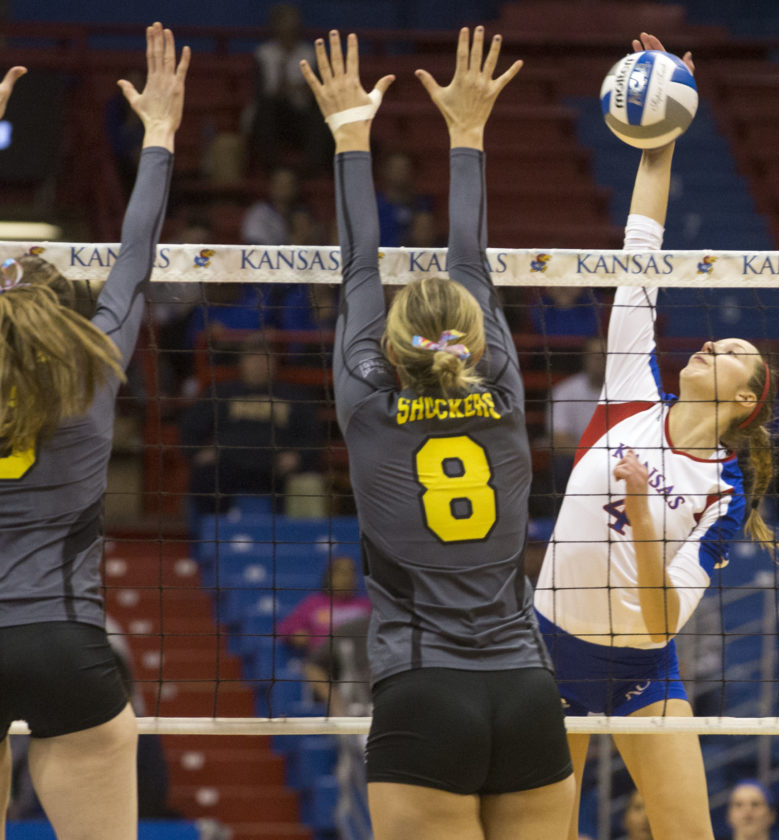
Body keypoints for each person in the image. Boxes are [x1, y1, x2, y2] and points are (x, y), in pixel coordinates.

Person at [0, 23, 187, 840]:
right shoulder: (92, 368)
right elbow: (136, 254)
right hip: (63, 645)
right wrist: (161, 133)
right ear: (65, 315)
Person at [301, 25, 574, 839]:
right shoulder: (499, 384)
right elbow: (471, 258)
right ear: (478, 337)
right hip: (527, 690)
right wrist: (467, 129)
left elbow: (358, 268)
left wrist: (350, 135)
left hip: (423, 693)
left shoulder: (364, 399)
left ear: (386, 345)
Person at [533, 34, 778, 840]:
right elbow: (641, 254)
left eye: (733, 352)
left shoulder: (722, 490)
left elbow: (659, 620)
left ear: (744, 401)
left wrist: (644, 523)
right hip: (550, 654)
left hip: (643, 672)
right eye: (716, 341)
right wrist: (658, 136)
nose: (712, 344)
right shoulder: (627, 391)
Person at [180, 332, 320, 516]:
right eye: (253, 358)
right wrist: (198, 451)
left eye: (265, 358)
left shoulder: (293, 395)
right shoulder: (222, 393)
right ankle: (214, 538)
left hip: (274, 468)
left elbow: (313, 435)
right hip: (228, 465)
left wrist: (299, 457)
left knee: (306, 485)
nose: (259, 364)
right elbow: (191, 427)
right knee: (204, 477)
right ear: (242, 362)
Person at [247, 2, 332, 174]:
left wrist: (297, 89)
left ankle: (311, 172)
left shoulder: (309, 54)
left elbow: (317, 90)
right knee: (266, 108)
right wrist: (286, 89)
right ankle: (271, 170)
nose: (289, 27)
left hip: (302, 115)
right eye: (284, 22)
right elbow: (261, 92)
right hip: (274, 116)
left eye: (293, 22)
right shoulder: (263, 54)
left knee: (321, 114)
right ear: (275, 25)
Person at [543, 335, 607, 513]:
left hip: (617, 458)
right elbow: (559, 439)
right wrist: (592, 457)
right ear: (585, 358)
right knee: (561, 464)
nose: (600, 361)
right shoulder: (566, 391)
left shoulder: (626, 392)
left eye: (605, 356)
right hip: (577, 458)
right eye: (595, 356)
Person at [277, 555, 371, 655]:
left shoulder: (366, 605)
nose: (347, 578)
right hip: (323, 662)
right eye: (341, 573)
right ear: (329, 576)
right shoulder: (313, 604)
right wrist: (296, 633)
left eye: (351, 573)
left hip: (358, 661)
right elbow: (285, 628)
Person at [375, 151, 434, 248]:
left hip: (411, 258)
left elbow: (425, 238)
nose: (400, 173)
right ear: (384, 170)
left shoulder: (421, 205)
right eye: (395, 168)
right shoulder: (373, 204)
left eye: (404, 168)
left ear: (412, 171)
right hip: (379, 258)